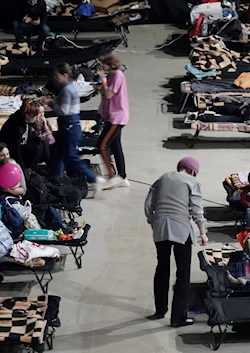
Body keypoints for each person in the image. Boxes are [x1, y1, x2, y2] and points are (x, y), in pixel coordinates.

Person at [144, 157, 209, 327]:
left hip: (160, 228)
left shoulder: (163, 177)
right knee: (182, 274)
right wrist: (202, 232)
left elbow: (148, 204)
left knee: (162, 268)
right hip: (180, 229)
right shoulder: (192, 182)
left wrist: (154, 222)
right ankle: (178, 318)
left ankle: (160, 310)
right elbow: (196, 209)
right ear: (193, 171)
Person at [45, 63, 105, 194]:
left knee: (71, 156)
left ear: (64, 75)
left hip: (69, 126)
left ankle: (93, 179)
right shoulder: (69, 87)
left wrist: (51, 104)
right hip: (68, 126)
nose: (55, 78)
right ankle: (57, 179)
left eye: (57, 76)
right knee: (57, 152)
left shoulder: (67, 90)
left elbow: (63, 110)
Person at [95, 54, 130, 190]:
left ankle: (112, 175)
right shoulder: (112, 75)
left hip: (117, 117)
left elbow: (109, 94)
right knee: (116, 146)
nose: (101, 67)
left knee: (102, 146)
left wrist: (103, 80)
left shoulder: (117, 75)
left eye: (103, 64)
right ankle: (122, 176)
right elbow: (105, 90)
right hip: (112, 115)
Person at [0, 98, 44, 170]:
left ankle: (31, 169)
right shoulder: (17, 127)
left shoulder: (26, 121)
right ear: (27, 116)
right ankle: (27, 170)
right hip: (9, 149)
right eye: (35, 116)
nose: (37, 117)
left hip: (20, 145)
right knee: (35, 148)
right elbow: (15, 149)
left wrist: (38, 137)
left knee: (39, 144)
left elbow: (27, 136)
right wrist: (22, 168)